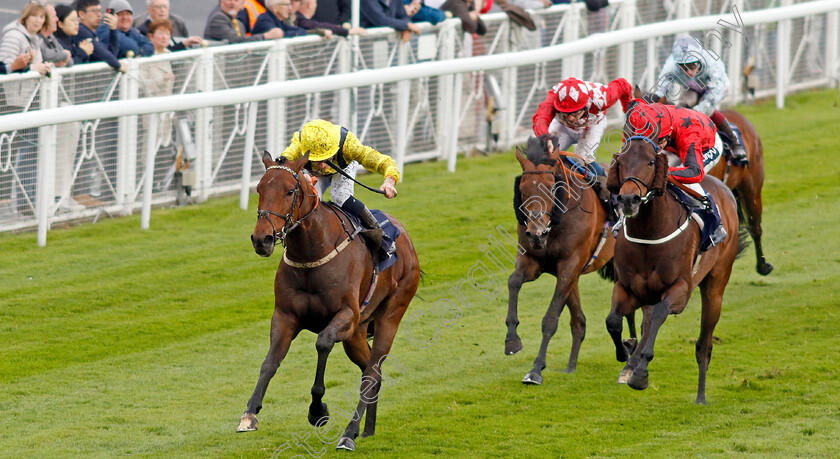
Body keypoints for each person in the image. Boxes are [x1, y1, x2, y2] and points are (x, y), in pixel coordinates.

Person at [625, 100, 728, 248]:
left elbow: (694, 172)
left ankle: (714, 221)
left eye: (658, 142)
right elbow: (634, 103)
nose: (654, 148)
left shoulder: (689, 135)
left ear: (666, 136)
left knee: (686, 181)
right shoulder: (641, 116)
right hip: (675, 142)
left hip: (705, 144)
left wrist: (663, 173)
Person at [279, 119, 400, 239]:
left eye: (327, 159)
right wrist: (299, 176)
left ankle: (379, 232)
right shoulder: (297, 146)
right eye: (317, 160)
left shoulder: (349, 145)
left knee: (340, 196)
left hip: (343, 166)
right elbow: (280, 167)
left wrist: (389, 182)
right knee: (310, 199)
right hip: (311, 172)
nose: (323, 166)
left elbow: (384, 162)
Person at [532, 77, 633, 211]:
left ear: (586, 106)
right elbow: (540, 117)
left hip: (592, 126)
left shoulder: (602, 97)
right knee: (544, 157)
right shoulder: (554, 96)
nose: (570, 118)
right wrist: (545, 139)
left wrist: (628, 110)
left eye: (574, 113)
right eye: (565, 113)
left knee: (581, 158)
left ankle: (608, 185)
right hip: (563, 128)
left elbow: (623, 84)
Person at [646, 35, 748, 163]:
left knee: (706, 111)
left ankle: (734, 141)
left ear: (700, 60)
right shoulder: (671, 66)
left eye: (692, 65)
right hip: (693, 87)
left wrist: (695, 113)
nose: (689, 72)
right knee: (682, 108)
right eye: (684, 67)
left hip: (716, 87)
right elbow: (660, 92)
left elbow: (711, 99)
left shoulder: (712, 65)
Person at [0, 2, 53, 214]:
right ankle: (19, 203)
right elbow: (5, 66)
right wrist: (29, 68)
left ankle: (25, 202)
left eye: (42, 17)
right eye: (35, 16)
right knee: (11, 154)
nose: (38, 20)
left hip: (27, 100)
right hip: (13, 101)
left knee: (28, 152)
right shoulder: (14, 36)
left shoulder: (35, 39)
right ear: (25, 17)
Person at [74, 0, 126, 72]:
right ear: (82, 14)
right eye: (94, 11)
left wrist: (113, 29)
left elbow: (112, 54)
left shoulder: (92, 33)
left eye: (100, 11)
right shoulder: (81, 32)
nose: (99, 15)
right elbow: (104, 55)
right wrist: (119, 65)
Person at [204, 0, 284, 43]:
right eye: (229, 0)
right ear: (221, 2)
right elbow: (236, 40)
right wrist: (266, 36)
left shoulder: (239, 23)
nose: (232, 3)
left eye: (236, 0)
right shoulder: (218, 18)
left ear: (242, 5)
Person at [134, 0, 202, 51]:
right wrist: (184, 44)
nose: (162, 10)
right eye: (158, 7)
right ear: (149, 9)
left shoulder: (177, 23)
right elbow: (161, 52)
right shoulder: (141, 30)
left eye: (165, 7)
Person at [295, 0, 367, 37]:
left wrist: (341, 25)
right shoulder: (298, 18)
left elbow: (346, 8)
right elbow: (310, 25)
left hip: (334, 31)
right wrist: (347, 31)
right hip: (315, 34)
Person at [39, 3, 74, 68]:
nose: (57, 19)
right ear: (44, 19)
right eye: (54, 16)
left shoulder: (51, 37)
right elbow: (44, 54)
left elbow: (70, 60)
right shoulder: (36, 37)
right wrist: (64, 55)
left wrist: (63, 60)